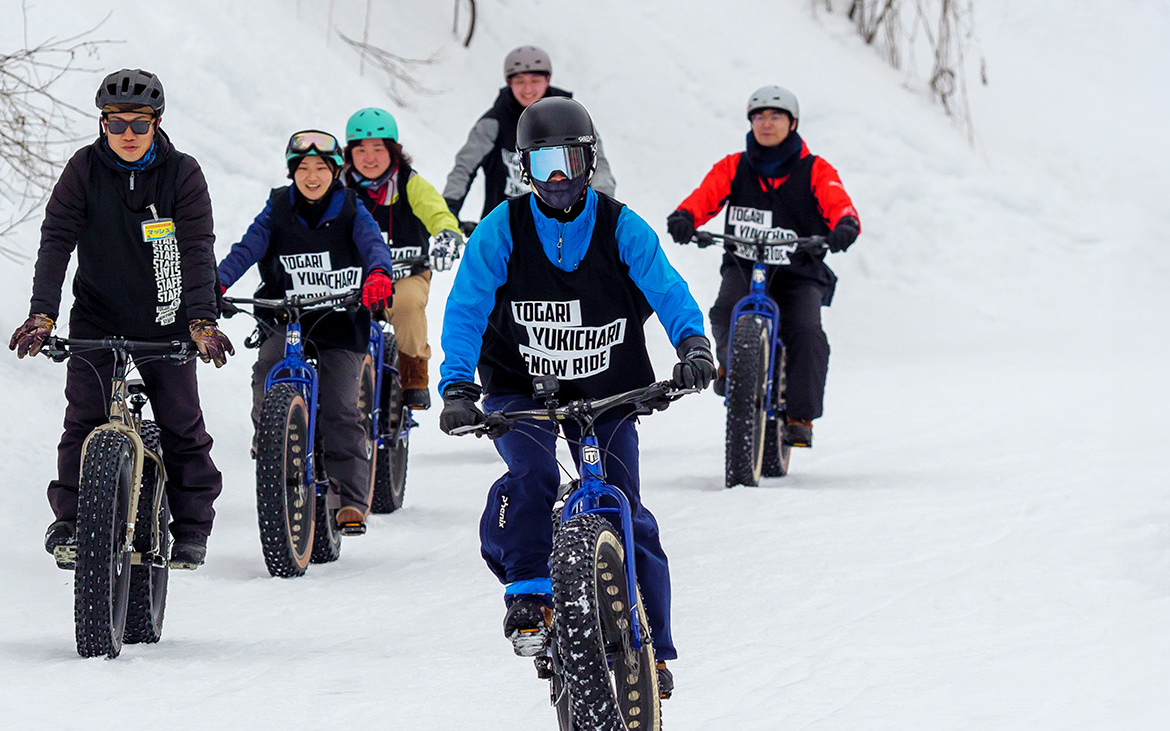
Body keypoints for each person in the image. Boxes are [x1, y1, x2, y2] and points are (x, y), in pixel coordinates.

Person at [437, 97, 716, 699]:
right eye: (541, 165)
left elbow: (667, 289)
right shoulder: (501, 229)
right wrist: (458, 385)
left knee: (625, 507)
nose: (556, 176)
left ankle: (656, 649)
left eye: (567, 161)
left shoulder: (621, 225)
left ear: (589, 162)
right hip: (520, 384)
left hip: (610, 386)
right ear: (523, 170)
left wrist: (692, 346)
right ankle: (529, 594)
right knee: (532, 476)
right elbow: (465, 309)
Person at [9, 68, 233, 570]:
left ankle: (191, 527)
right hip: (98, 317)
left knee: (181, 423)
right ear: (102, 124)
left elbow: (198, 249)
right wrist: (42, 314)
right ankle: (71, 521)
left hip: (169, 319)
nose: (127, 135)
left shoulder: (183, 174)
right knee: (84, 418)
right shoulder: (83, 170)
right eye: (116, 124)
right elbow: (56, 242)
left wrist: (201, 322)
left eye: (138, 123)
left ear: (157, 122)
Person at [216, 129, 393, 532]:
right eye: (303, 168)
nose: (311, 177)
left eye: (320, 168)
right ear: (292, 172)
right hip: (289, 315)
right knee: (268, 368)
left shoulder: (350, 206)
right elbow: (248, 248)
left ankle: (349, 497)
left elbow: (373, 245)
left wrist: (379, 273)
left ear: (335, 171)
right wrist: (218, 282)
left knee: (342, 406)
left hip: (340, 318)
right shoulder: (278, 207)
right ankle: (272, 434)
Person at [666, 85, 860, 448]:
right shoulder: (733, 167)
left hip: (797, 269)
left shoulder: (816, 169)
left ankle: (800, 416)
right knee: (725, 311)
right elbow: (704, 196)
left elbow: (839, 202)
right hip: (744, 264)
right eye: (759, 116)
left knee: (805, 330)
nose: (766, 123)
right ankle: (730, 368)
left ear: (793, 123)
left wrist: (844, 225)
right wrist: (685, 217)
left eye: (775, 116)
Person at [342, 107, 463, 410]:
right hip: (354, 278)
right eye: (361, 150)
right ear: (349, 154)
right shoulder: (340, 187)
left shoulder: (410, 184)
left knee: (407, 303)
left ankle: (414, 375)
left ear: (393, 151)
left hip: (406, 274)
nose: (369, 158)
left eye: (378, 149)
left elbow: (438, 213)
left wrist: (447, 233)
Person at [441, 45, 617, 225]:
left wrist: (604, 207)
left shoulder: (571, 118)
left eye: (535, 81)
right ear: (509, 83)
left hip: (563, 226)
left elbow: (597, 164)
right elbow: (464, 167)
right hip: (506, 227)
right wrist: (449, 209)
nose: (527, 89)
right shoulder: (493, 123)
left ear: (547, 79)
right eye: (519, 81)